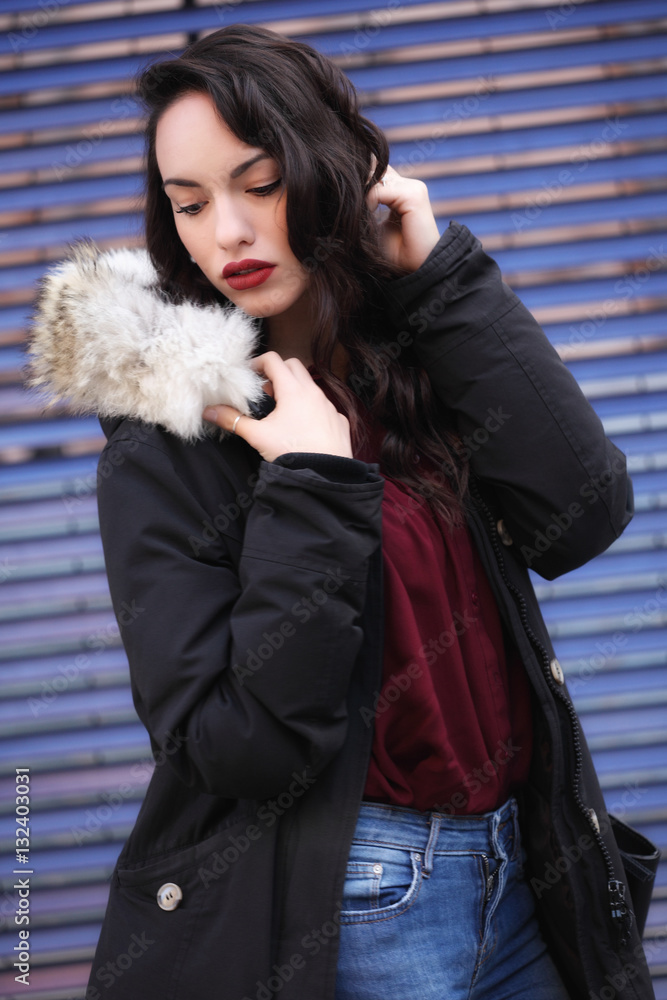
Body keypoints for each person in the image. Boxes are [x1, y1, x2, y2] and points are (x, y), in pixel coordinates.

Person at [26, 23, 657, 1000]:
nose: (225, 233)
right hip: (357, 908)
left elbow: (582, 517)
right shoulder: (170, 440)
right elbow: (231, 743)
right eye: (190, 204)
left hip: (524, 874)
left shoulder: (413, 355)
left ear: (329, 173)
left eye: (261, 184)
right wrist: (311, 489)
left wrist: (443, 278)